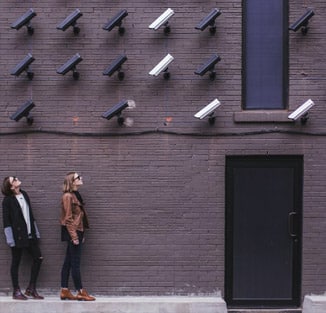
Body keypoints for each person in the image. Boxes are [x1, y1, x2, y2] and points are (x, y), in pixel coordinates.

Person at [1, 176, 44, 300]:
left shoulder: (24, 194)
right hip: (17, 237)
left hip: (30, 235)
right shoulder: (7, 201)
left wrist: (36, 232)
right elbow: (6, 221)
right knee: (16, 262)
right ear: (11, 186)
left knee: (38, 258)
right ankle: (16, 291)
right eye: (13, 179)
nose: (16, 179)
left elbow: (30, 215)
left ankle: (31, 288)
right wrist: (10, 240)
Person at [59, 172, 95, 301]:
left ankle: (64, 290)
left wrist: (81, 233)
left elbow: (79, 217)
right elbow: (68, 219)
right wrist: (75, 236)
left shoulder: (75, 195)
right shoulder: (68, 196)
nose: (81, 178)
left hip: (77, 231)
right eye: (78, 177)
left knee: (68, 261)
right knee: (75, 263)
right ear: (72, 181)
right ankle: (80, 291)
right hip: (72, 231)